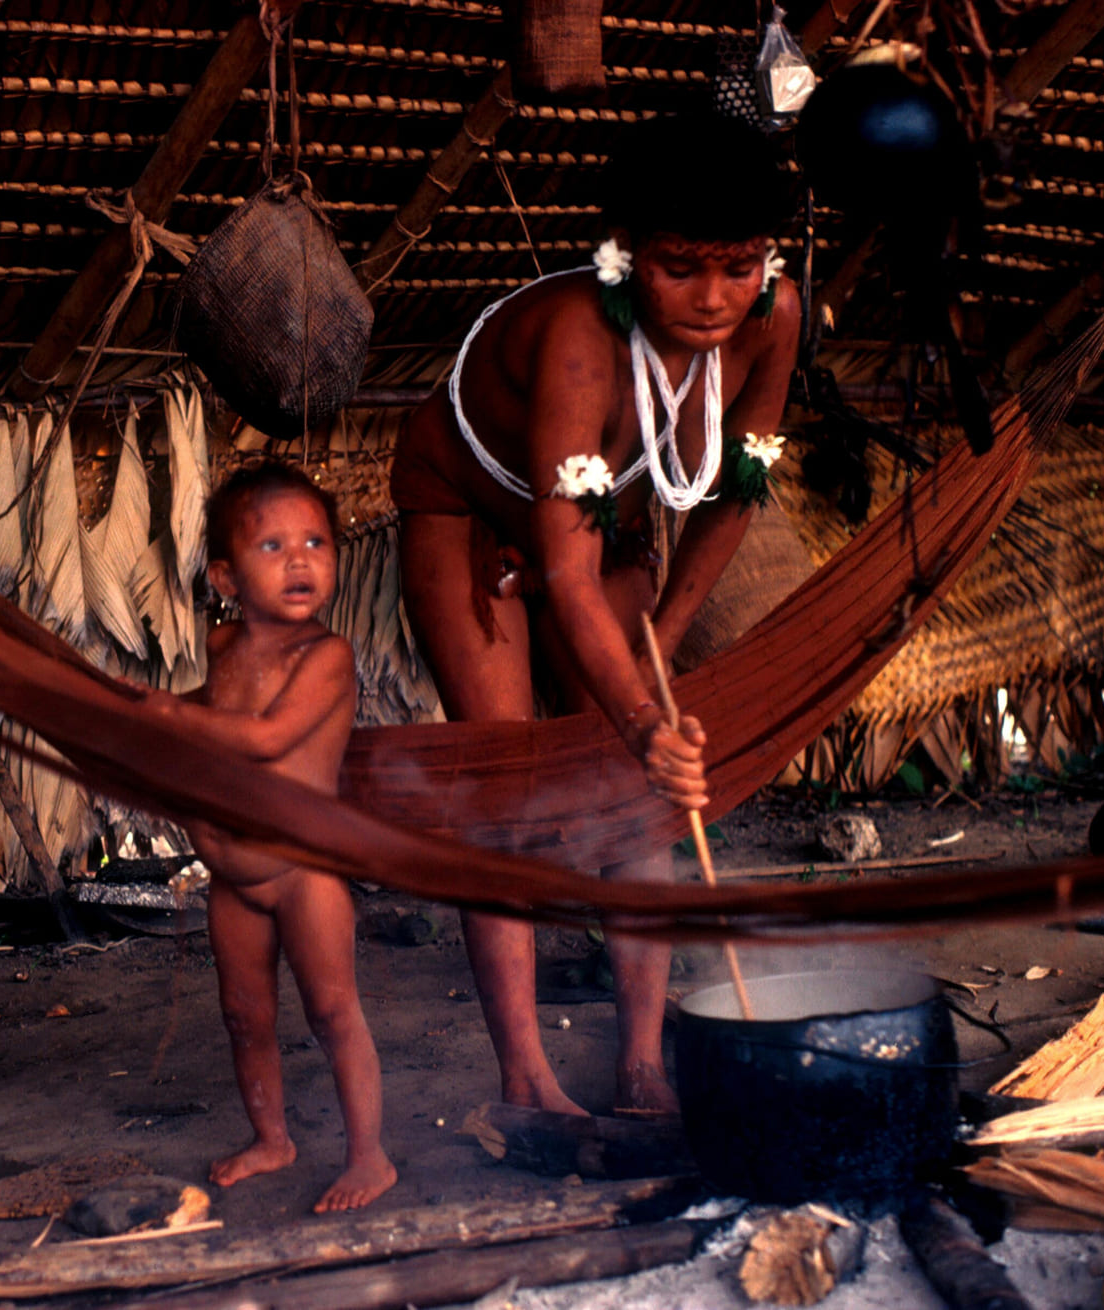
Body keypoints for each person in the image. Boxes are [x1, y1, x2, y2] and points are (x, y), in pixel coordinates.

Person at [388, 112, 801, 1116]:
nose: (714, 298)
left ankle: (644, 1062)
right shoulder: (581, 335)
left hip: (600, 518)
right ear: (624, 257)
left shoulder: (776, 315)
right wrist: (651, 724)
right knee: (507, 788)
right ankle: (528, 1080)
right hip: (466, 510)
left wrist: (654, 648)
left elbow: (734, 489)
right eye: (680, 267)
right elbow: (567, 579)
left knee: (633, 798)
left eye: (739, 266)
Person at [143, 462, 398, 1213]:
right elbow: (209, 706)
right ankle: (273, 1139)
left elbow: (266, 736)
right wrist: (129, 712)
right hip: (232, 880)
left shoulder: (326, 657)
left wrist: (163, 714)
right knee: (245, 1015)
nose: (300, 560)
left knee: (332, 1011)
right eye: (274, 546)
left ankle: (370, 1156)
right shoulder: (224, 649)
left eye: (316, 542)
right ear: (225, 577)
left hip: (302, 872)